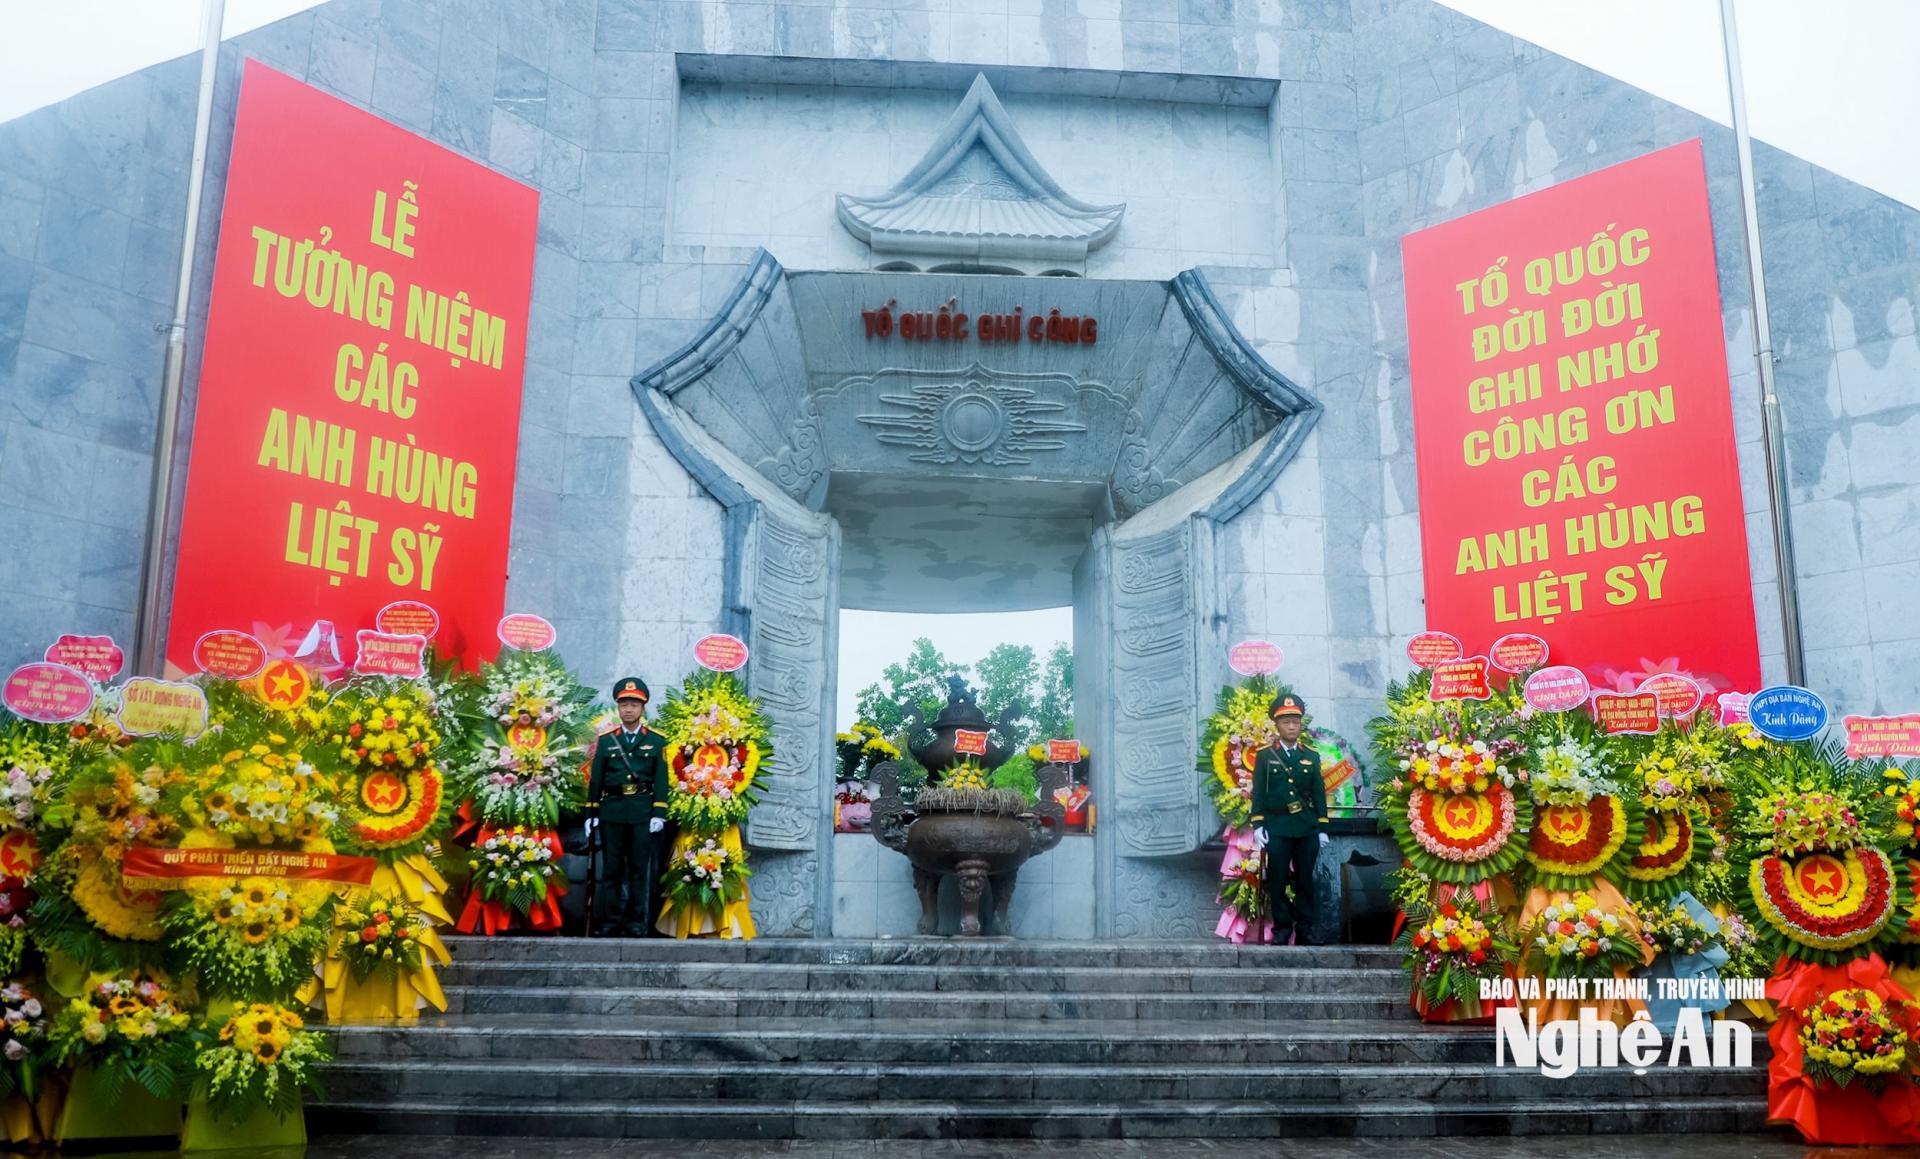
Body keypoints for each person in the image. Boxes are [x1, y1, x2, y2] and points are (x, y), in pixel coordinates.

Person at [585, 676, 671, 937]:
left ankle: (635, 922)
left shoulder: (657, 740)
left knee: (638, 870)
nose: (629, 709)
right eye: (624, 704)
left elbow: (661, 779)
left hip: (641, 813)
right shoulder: (607, 740)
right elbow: (596, 779)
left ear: (643, 708)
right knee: (611, 870)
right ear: (618, 707)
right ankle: (610, 921)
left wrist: (659, 812)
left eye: (634, 704)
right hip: (612, 812)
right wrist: (591, 813)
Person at [1250, 692, 1329, 946]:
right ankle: (1282, 929)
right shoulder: (1265, 756)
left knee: (1306, 880)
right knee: (1278, 879)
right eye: (1286, 722)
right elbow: (1258, 792)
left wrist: (1322, 826)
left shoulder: (1311, 755)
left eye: (1296, 721)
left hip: (1306, 827)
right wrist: (1258, 824)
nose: (1292, 726)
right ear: (1277, 725)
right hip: (1277, 826)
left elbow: (1318, 793)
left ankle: (1306, 930)